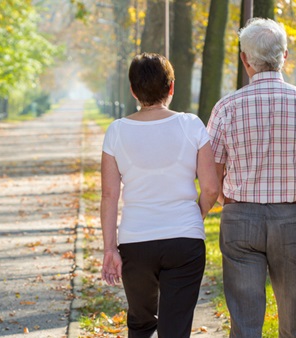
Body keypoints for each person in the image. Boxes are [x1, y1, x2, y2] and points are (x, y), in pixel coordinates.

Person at [206, 18, 296, 338]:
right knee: (295, 323)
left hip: (240, 219)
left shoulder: (226, 108)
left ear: (244, 59)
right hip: (291, 219)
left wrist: (231, 200)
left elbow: (213, 172)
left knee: (245, 324)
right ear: (285, 56)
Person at [101, 52, 219, 338]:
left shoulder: (116, 131)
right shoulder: (192, 125)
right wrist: (195, 215)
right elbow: (212, 188)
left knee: (141, 323)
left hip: (136, 241)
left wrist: (110, 248)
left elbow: (108, 195)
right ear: (171, 87)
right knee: (175, 328)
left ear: (133, 90)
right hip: (185, 240)